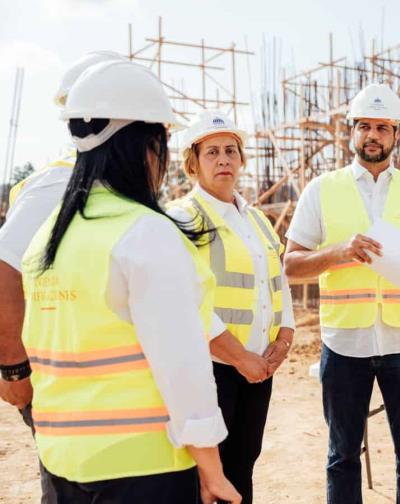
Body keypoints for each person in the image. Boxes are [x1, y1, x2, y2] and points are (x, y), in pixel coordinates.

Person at [18, 59, 240, 503]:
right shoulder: (145, 233)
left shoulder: (50, 235)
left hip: (62, 462)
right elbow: (182, 367)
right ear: (146, 145)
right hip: (143, 467)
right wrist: (211, 467)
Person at [284, 83, 400, 504]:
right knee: (342, 456)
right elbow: (290, 265)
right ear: (350, 131)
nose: (372, 135)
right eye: (364, 127)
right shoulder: (322, 190)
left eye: (382, 127)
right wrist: (340, 252)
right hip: (344, 344)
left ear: (396, 134)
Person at [0, 50, 125, 504]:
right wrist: (13, 370)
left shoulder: (107, 182)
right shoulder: (62, 182)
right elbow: (4, 269)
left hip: (92, 381)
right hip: (63, 380)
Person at [168, 110, 296, 503]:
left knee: (244, 463)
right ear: (194, 162)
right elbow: (184, 304)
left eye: (230, 151)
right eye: (211, 152)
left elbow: (277, 280)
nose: (223, 159)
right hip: (213, 369)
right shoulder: (182, 219)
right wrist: (239, 356)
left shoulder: (255, 219)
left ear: (241, 160)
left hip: (258, 368)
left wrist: (285, 336)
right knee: (208, 474)